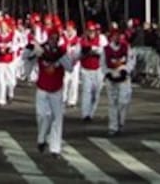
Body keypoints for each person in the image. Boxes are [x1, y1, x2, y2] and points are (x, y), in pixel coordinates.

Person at [28, 25, 74, 157]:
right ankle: (41, 138)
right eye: (51, 38)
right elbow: (28, 58)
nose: (54, 40)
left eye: (56, 38)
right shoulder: (40, 50)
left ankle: (55, 148)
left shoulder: (61, 52)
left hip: (56, 89)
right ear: (48, 38)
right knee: (43, 116)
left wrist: (62, 60)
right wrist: (31, 51)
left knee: (57, 118)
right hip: (42, 88)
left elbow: (70, 67)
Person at [103, 25, 134, 136]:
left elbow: (131, 61)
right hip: (111, 77)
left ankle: (121, 121)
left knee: (123, 101)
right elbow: (102, 64)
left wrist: (126, 71)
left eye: (118, 36)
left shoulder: (126, 47)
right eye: (114, 36)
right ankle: (113, 126)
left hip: (123, 77)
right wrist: (107, 74)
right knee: (112, 103)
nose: (116, 38)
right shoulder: (106, 49)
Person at [77, 20, 107, 122]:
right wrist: (84, 52)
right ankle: (85, 114)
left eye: (93, 31)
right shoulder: (81, 40)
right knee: (86, 92)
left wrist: (93, 49)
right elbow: (77, 54)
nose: (91, 33)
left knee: (96, 93)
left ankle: (91, 112)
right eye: (89, 31)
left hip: (98, 69)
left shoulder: (101, 38)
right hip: (86, 69)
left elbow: (105, 50)